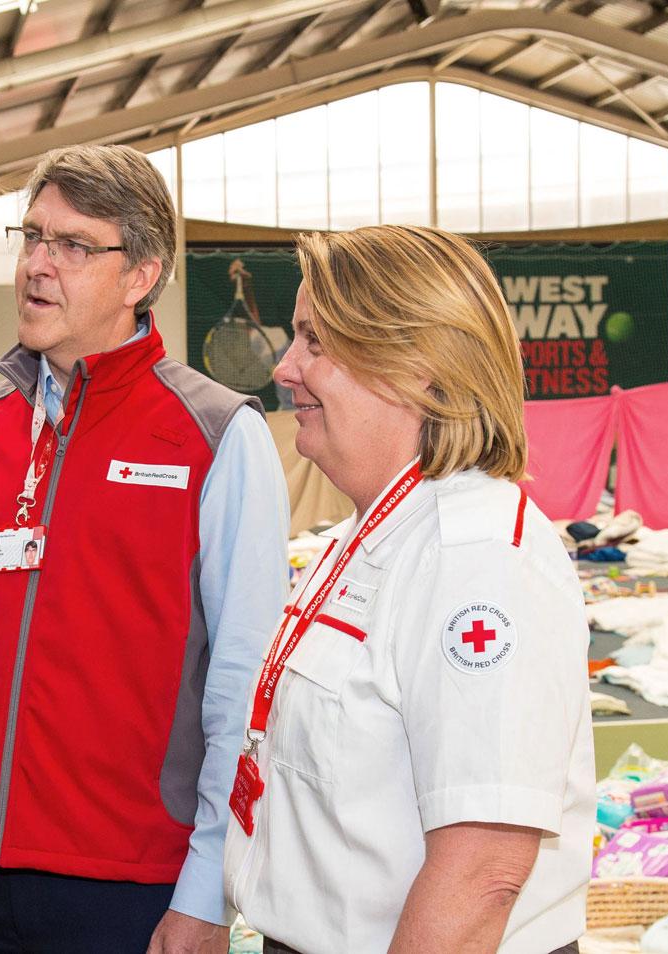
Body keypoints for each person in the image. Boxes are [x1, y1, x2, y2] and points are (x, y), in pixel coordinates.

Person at [0, 144, 289, 954]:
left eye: (71, 245)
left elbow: (243, 687)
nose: (37, 264)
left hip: (129, 887)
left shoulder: (217, 436)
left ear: (140, 275)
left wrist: (208, 886)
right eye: (30, 237)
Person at [222, 225, 592, 954]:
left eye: (315, 342)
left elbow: (482, 869)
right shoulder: (360, 539)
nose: (286, 368)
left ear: (418, 367)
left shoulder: (479, 558)